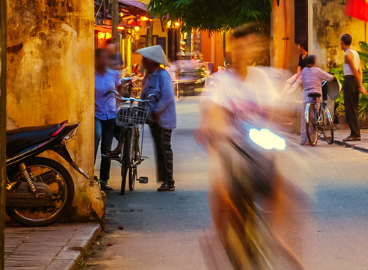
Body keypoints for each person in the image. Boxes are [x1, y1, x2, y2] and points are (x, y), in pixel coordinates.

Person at [197, 25, 303, 269]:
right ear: (231, 48)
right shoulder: (219, 81)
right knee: (221, 184)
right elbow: (212, 112)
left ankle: (276, 235)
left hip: (257, 146)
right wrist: (214, 125)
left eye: (250, 46)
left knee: (284, 182)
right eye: (240, 46)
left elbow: (275, 109)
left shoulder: (262, 78)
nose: (244, 51)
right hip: (229, 146)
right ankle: (217, 234)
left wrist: (282, 115)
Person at [137, 45, 177, 192]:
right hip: (152, 118)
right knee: (159, 148)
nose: (142, 61)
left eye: (144, 59)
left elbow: (167, 97)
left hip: (163, 119)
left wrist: (158, 111)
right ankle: (164, 180)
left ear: (151, 61)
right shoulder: (148, 76)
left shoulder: (162, 75)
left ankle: (169, 181)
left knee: (165, 148)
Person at [286, 54, 335, 145]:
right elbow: (329, 77)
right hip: (316, 96)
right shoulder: (317, 70)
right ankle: (311, 140)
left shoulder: (304, 71)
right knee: (314, 118)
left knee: (305, 118)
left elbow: (298, 80)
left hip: (306, 95)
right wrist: (333, 77)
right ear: (315, 62)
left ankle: (303, 140)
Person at [93, 47, 121, 191]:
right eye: (101, 58)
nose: (104, 61)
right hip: (96, 113)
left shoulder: (114, 74)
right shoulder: (90, 75)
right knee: (96, 136)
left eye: (106, 58)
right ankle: (89, 176)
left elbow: (120, 88)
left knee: (106, 148)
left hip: (110, 113)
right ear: (96, 59)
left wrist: (118, 101)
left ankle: (104, 180)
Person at [341, 34, 366, 142]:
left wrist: (360, 85)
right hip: (355, 81)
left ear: (342, 42)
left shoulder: (348, 55)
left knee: (350, 109)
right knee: (353, 108)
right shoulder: (355, 53)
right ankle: (355, 133)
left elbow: (354, 70)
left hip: (350, 80)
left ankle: (355, 134)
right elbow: (360, 71)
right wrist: (359, 84)